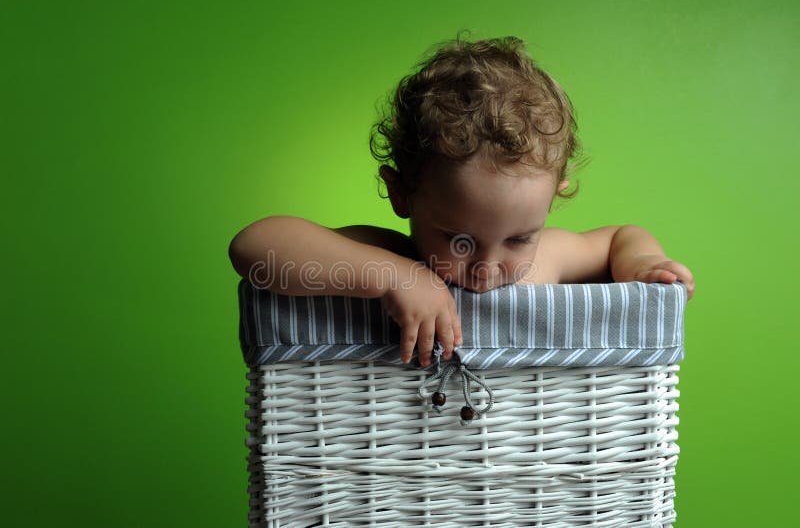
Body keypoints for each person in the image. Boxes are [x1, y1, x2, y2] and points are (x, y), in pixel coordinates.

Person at [228, 34, 695, 369]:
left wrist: (642, 262)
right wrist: (395, 277)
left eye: (518, 238)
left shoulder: (548, 259)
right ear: (402, 193)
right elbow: (254, 246)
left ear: (554, 197)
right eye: (459, 240)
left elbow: (620, 237)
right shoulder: (390, 257)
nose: (488, 266)